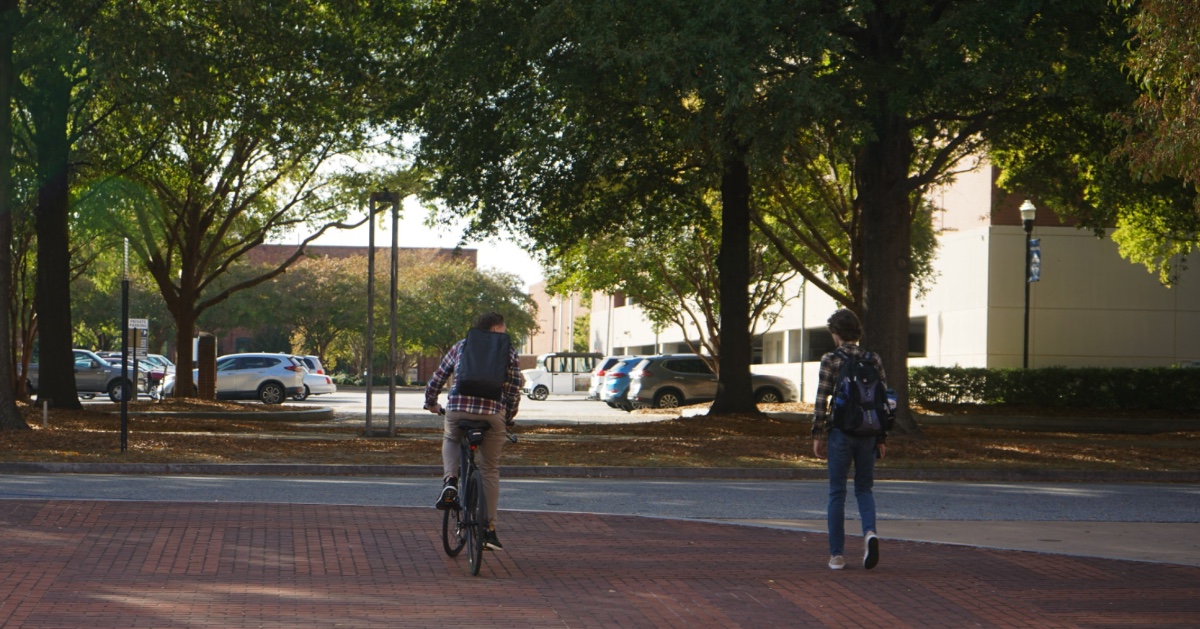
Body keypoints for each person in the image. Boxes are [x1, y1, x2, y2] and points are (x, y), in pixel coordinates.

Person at [424, 312, 522, 550]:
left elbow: (438, 376)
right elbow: (513, 387)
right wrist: (508, 416)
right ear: (497, 329)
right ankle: (488, 530)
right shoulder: (508, 351)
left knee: (451, 437)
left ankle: (450, 481)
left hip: (457, 409)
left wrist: (431, 402)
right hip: (491, 414)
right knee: (489, 468)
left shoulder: (462, 345)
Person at [811, 308, 887, 571]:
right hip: (868, 434)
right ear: (857, 332)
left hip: (840, 433)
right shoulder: (873, 358)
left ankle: (837, 556)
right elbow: (884, 400)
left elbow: (822, 400)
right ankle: (869, 533)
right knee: (864, 489)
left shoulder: (831, 359)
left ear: (836, 333)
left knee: (837, 493)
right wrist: (881, 436)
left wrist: (818, 435)